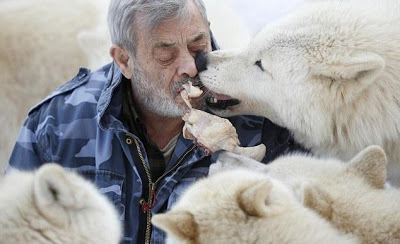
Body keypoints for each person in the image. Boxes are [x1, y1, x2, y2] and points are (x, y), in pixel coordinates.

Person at [6, 0, 304, 243]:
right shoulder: (57, 123)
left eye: (199, 45)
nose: (189, 67)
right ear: (124, 60)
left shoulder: (264, 114)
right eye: (166, 55)